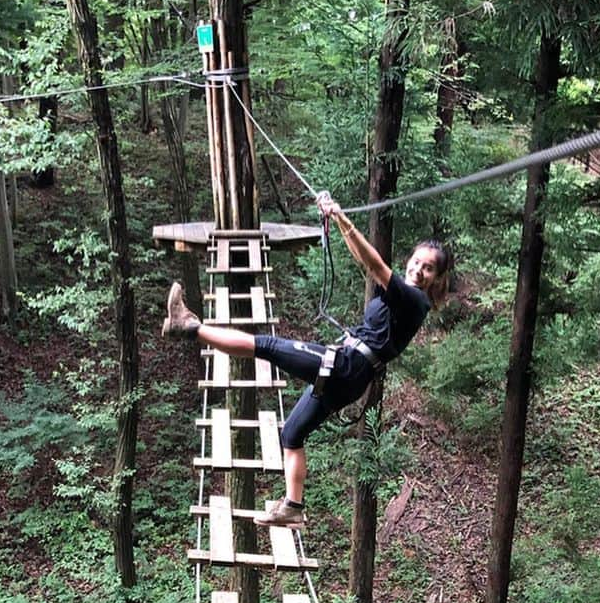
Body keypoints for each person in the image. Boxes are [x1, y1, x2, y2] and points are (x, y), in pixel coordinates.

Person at [163, 193, 451, 527]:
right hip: (353, 373)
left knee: (267, 345)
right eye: (416, 262)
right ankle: (293, 507)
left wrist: (342, 219)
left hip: (349, 365)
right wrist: (340, 221)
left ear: (437, 279)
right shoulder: (400, 295)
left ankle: (190, 326)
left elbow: (373, 265)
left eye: (428, 268)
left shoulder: (415, 299)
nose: (419, 270)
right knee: (292, 433)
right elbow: (371, 265)